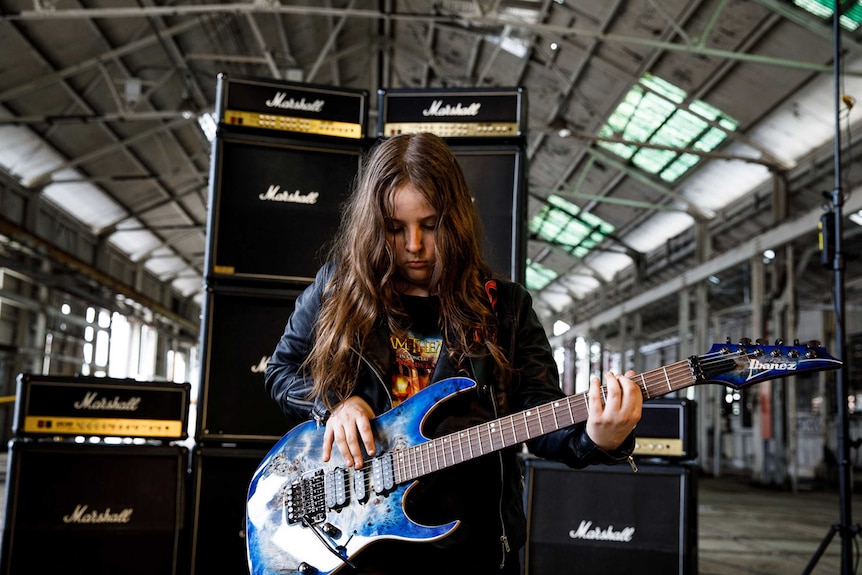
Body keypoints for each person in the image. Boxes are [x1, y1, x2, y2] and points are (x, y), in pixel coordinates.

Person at [264, 132, 642, 574]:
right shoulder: (336, 287)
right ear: (372, 224)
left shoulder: (506, 308)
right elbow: (281, 371)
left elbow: (539, 415)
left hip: (471, 548)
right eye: (394, 228)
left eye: (430, 225)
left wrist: (599, 438)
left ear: (456, 219)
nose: (414, 245)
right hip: (356, 544)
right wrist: (335, 405)